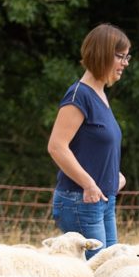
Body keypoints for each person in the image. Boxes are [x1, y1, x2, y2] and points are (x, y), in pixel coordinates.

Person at [48, 24, 129, 258]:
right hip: (80, 202)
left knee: (111, 270)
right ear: (102, 54)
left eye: (127, 57)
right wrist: (88, 184)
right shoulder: (79, 95)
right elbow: (56, 146)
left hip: (102, 200)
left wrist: (114, 176)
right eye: (120, 56)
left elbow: (94, 148)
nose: (125, 63)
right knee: (98, 276)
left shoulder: (100, 95)